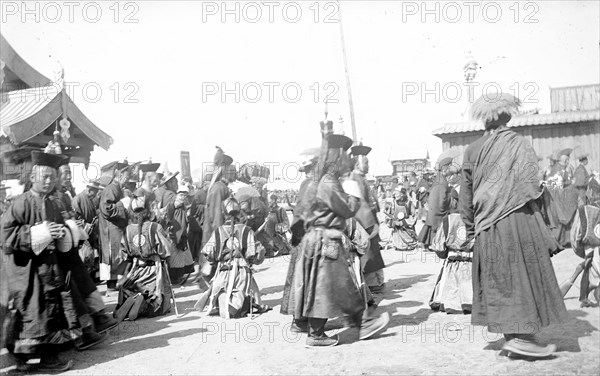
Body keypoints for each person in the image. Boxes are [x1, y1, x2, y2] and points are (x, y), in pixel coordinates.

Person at [460, 93, 567, 358]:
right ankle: (521, 340)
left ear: (483, 122)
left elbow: (465, 198)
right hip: (518, 221)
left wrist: (472, 230)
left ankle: (516, 337)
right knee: (521, 276)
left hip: (486, 225)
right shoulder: (519, 143)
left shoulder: (472, 150)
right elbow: (531, 185)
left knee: (500, 280)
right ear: (508, 117)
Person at [288, 133, 389, 347]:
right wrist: (354, 196)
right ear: (336, 156)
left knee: (324, 287)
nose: (348, 160)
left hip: (316, 239)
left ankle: (318, 329)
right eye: (344, 155)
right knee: (337, 285)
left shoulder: (317, 179)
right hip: (326, 240)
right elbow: (345, 207)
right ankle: (357, 325)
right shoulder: (328, 181)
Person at [1, 151, 81, 372]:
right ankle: (22, 360)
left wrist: (61, 232)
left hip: (49, 267)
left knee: (50, 312)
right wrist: (38, 233)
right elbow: (6, 235)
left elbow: (61, 231)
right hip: (26, 270)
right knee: (30, 312)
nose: (48, 181)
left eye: (52, 177)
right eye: (44, 176)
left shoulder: (54, 203)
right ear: (33, 177)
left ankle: (48, 359)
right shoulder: (21, 203)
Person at [198, 197, 269, 318]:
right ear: (239, 211)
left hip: (222, 271)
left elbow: (208, 252)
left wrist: (214, 260)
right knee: (251, 286)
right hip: (242, 272)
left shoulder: (218, 231)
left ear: (223, 212)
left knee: (218, 289)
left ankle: (225, 304)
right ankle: (255, 303)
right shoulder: (246, 230)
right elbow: (255, 255)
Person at [114, 195, 172, 320]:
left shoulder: (127, 230)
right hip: (154, 272)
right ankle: (144, 303)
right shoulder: (155, 227)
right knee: (160, 306)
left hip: (136, 271)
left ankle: (133, 299)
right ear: (148, 212)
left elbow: (123, 254)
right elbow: (166, 251)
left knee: (129, 290)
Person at [429, 157, 472, 314]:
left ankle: (451, 301)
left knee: (450, 287)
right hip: (473, 265)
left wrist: (445, 253)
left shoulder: (448, 221)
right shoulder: (475, 219)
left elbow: (439, 248)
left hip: (453, 264)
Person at [349, 143, 386, 310]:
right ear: (358, 163)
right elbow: (360, 205)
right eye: (366, 162)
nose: (369, 165)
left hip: (369, 220)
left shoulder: (361, 179)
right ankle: (371, 286)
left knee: (373, 253)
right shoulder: (355, 179)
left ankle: (375, 283)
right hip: (364, 223)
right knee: (368, 254)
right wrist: (370, 225)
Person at [98, 162, 131, 288]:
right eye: (127, 176)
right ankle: (112, 285)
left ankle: (115, 283)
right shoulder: (111, 188)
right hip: (111, 229)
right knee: (113, 256)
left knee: (117, 256)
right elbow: (106, 209)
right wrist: (123, 204)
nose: (127, 180)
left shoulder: (118, 188)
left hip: (116, 228)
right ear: (120, 174)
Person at [201, 147, 236, 249]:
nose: (232, 170)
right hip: (215, 236)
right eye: (229, 167)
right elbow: (216, 216)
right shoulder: (219, 188)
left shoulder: (221, 187)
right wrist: (220, 234)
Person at [164, 185, 195, 284]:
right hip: (174, 234)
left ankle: (179, 276)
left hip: (182, 233)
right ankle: (174, 278)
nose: (183, 197)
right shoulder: (171, 205)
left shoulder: (183, 206)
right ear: (177, 195)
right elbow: (167, 219)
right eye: (181, 195)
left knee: (182, 256)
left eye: (185, 195)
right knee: (175, 256)